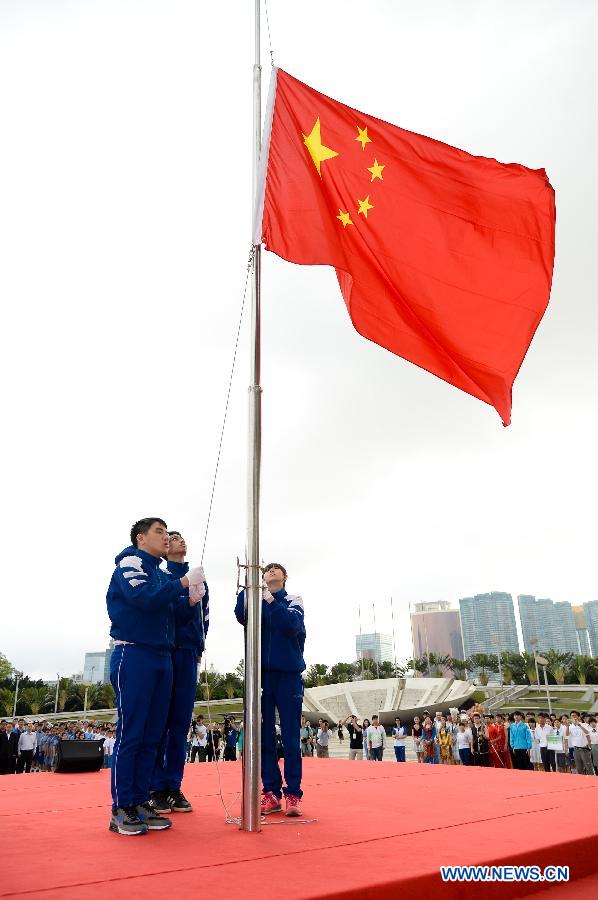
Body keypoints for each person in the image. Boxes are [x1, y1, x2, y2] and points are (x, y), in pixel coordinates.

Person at [106, 517, 204, 836]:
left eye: (166, 531)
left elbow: (174, 612)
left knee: (152, 736)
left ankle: (140, 800)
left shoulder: (161, 573)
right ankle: (121, 806)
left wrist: (191, 601)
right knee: (132, 733)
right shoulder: (130, 562)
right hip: (134, 653)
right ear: (140, 538)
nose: (165, 537)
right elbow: (143, 599)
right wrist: (182, 585)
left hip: (163, 656)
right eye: (159, 532)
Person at [235, 562, 306, 817]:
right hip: (261, 676)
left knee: (290, 739)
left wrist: (270, 599)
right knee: (263, 737)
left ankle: (293, 794)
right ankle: (272, 792)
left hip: (288, 676)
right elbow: (240, 614)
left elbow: (290, 625)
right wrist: (248, 585)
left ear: (285, 577)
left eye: (276, 570)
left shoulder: (293, 600)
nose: (271, 571)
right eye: (267, 570)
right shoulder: (257, 600)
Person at [150, 530, 209, 814]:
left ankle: (173, 784)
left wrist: (199, 646)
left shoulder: (198, 575)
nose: (179, 540)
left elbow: (204, 617)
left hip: (188, 652)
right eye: (173, 537)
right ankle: (155, 786)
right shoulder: (162, 576)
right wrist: (189, 600)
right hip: (168, 649)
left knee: (180, 722)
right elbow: (170, 611)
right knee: (160, 719)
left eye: (182, 537)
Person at [567, 710, 593, 775]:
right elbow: (567, 734)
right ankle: (581, 782)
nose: (573, 717)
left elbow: (587, 732)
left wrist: (579, 725)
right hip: (576, 749)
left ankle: (592, 781)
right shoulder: (571, 726)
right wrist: (567, 726)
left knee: (588, 767)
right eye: (572, 716)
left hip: (584, 749)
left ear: (579, 717)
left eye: (575, 716)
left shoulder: (584, 724)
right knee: (579, 767)